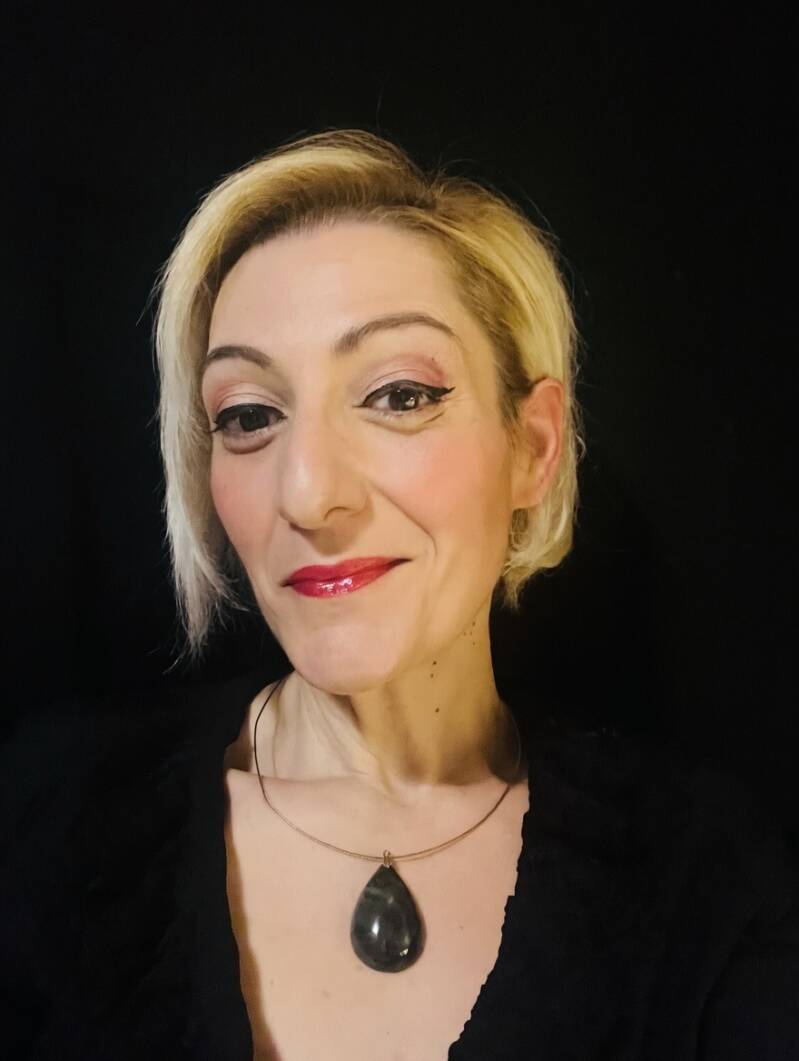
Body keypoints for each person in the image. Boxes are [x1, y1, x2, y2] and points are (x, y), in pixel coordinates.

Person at [2, 128, 797, 1060]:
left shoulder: (700, 880)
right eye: (249, 415)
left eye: (398, 395)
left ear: (533, 447)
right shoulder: (52, 822)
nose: (308, 493)